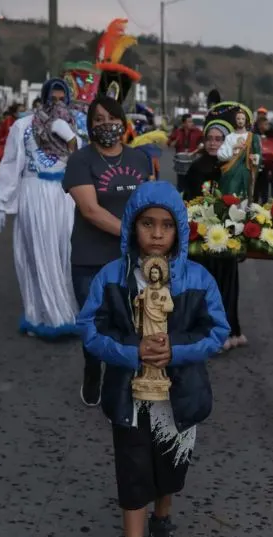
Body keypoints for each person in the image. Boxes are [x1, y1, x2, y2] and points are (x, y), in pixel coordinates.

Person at [76, 180, 228, 537]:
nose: (157, 234)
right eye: (147, 224)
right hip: (129, 395)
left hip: (180, 394)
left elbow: (216, 332)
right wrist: (130, 351)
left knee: (170, 466)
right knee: (131, 469)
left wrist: (176, 349)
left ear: (179, 228)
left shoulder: (197, 279)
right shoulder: (112, 276)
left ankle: (162, 517)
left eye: (166, 224)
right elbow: (91, 328)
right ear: (131, 226)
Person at [64, 95, 155, 407]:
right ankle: (93, 369)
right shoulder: (81, 160)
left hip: (133, 261)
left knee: (129, 324)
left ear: (123, 122)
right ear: (89, 126)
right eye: (98, 119)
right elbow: (90, 211)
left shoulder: (141, 159)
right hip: (91, 260)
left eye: (112, 118)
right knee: (95, 327)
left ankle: (120, 383)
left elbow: (153, 202)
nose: (106, 124)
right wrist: (133, 233)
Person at [0, 78, 80, 338]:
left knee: (65, 253)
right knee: (37, 253)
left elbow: (82, 162)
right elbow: (10, 165)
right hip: (34, 193)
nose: (57, 103)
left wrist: (71, 137)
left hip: (64, 196)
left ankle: (68, 312)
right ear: (44, 96)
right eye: (53, 97)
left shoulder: (74, 127)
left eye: (62, 98)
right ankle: (39, 314)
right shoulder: (23, 126)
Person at [189, 102, 253, 350]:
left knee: (229, 284)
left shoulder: (235, 166)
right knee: (207, 286)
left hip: (230, 235)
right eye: (210, 138)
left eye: (219, 138)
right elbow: (190, 200)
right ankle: (208, 332)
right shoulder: (197, 168)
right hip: (204, 238)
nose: (214, 143)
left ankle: (231, 330)